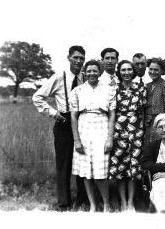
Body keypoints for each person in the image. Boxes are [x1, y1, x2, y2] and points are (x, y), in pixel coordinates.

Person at [32, 45, 87, 211]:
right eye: (75, 57)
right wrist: (54, 113)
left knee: (82, 162)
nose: (78, 61)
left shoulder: (85, 77)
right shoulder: (58, 77)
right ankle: (64, 202)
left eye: (81, 58)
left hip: (82, 123)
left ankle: (82, 200)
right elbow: (37, 97)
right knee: (63, 164)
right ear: (69, 58)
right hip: (63, 122)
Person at [69, 60, 116, 212]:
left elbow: (112, 114)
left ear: (100, 72)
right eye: (88, 71)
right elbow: (74, 116)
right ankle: (93, 205)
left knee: (100, 172)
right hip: (83, 130)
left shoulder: (109, 90)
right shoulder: (77, 91)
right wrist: (76, 139)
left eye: (95, 71)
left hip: (101, 129)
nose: (91, 74)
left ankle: (107, 204)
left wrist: (109, 138)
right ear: (84, 72)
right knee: (86, 172)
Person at [107, 60, 147, 212]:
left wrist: (141, 131)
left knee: (133, 169)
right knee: (120, 169)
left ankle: (131, 202)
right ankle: (123, 202)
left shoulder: (140, 88)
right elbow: (110, 112)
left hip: (136, 131)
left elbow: (143, 111)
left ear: (133, 71)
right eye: (123, 70)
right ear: (119, 72)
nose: (126, 72)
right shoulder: (114, 89)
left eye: (129, 69)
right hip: (119, 131)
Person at [144, 57, 165, 150]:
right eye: (151, 69)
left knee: (158, 150)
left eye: (156, 70)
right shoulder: (147, 86)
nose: (153, 72)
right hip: (147, 125)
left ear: (162, 71)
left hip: (160, 125)